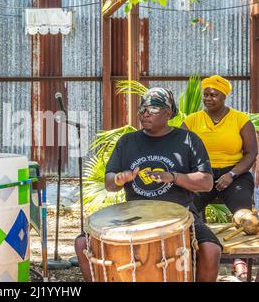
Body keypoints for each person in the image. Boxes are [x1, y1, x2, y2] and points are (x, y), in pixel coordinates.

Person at [74, 87, 222, 282]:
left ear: (168, 113)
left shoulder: (188, 140)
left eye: (152, 109)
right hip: (133, 215)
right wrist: (120, 178)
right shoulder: (127, 142)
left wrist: (172, 177)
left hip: (180, 213)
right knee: (82, 243)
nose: (144, 113)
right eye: (142, 109)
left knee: (211, 250)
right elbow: (110, 184)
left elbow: (206, 182)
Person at [182, 75, 258, 280]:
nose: (208, 98)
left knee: (247, 221)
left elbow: (251, 153)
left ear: (224, 96)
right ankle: (200, 253)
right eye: (205, 94)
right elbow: (179, 151)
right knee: (186, 211)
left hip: (235, 174)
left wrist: (231, 174)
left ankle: (239, 260)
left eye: (213, 95)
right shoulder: (192, 120)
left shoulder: (240, 120)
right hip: (200, 173)